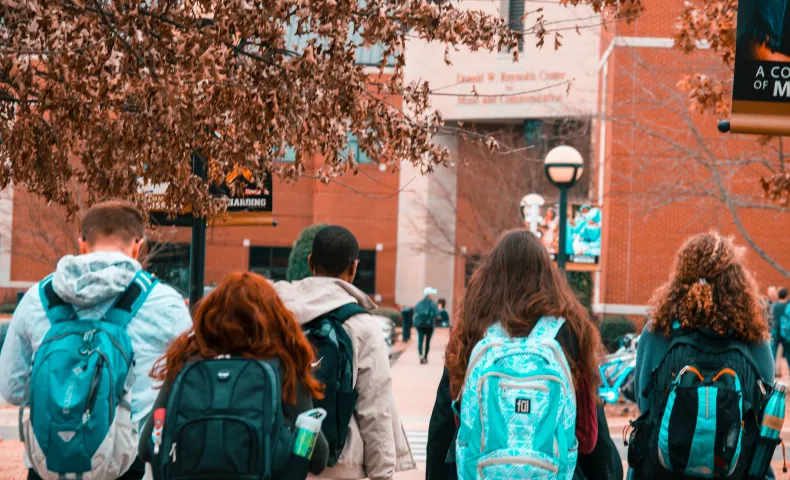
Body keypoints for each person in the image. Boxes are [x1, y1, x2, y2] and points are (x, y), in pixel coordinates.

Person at [0, 200, 193, 480]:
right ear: (139, 246)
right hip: (129, 466)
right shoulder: (166, 303)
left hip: (50, 464)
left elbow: (11, 388)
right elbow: (185, 388)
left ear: (82, 243)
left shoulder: (36, 299)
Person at [433, 229, 618, 479]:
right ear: (548, 275)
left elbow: (446, 419)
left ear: (491, 275)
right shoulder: (571, 330)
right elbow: (588, 436)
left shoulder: (471, 327)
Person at [139, 272, 329, 478]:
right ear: (272, 318)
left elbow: (146, 447)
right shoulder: (282, 368)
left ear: (209, 316)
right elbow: (318, 458)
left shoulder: (187, 363)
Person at [629, 232, 775, 479]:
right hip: (735, 469)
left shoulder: (659, 330)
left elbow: (644, 400)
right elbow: (764, 408)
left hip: (662, 469)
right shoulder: (753, 336)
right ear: (737, 279)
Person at [274, 225, 414, 479]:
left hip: (279, 456)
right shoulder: (361, 325)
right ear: (354, 268)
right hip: (340, 463)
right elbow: (374, 407)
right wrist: (382, 473)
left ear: (310, 262)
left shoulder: (275, 314)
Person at [414, 287, 440, 364]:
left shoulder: (419, 303)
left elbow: (415, 312)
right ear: (429, 295)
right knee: (427, 341)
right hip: (429, 325)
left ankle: (421, 356)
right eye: (432, 294)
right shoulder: (432, 303)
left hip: (420, 325)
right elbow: (437, 314)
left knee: (420, 340)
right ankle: (425, 357)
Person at [773, 287, 790, 368]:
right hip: (786, 333)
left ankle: (770, 373)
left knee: (772, 353)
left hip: (775, 332)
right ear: (786, 295)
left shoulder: (774, 306)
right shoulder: (788, 306)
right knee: (788, 354)